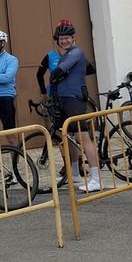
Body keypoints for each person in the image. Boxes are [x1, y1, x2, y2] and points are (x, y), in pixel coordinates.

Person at [44, 20, 101, 194]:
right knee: (65, 136)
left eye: (67, 38)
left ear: (73, 38)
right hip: (62, 99)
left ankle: (96, 179)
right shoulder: (66, 54)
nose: (64, 41)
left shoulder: (76, 53)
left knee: (83, 137)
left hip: (74, 99)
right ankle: (75, 173)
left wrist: (61, 75)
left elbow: (56, 73)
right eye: (61, 39)